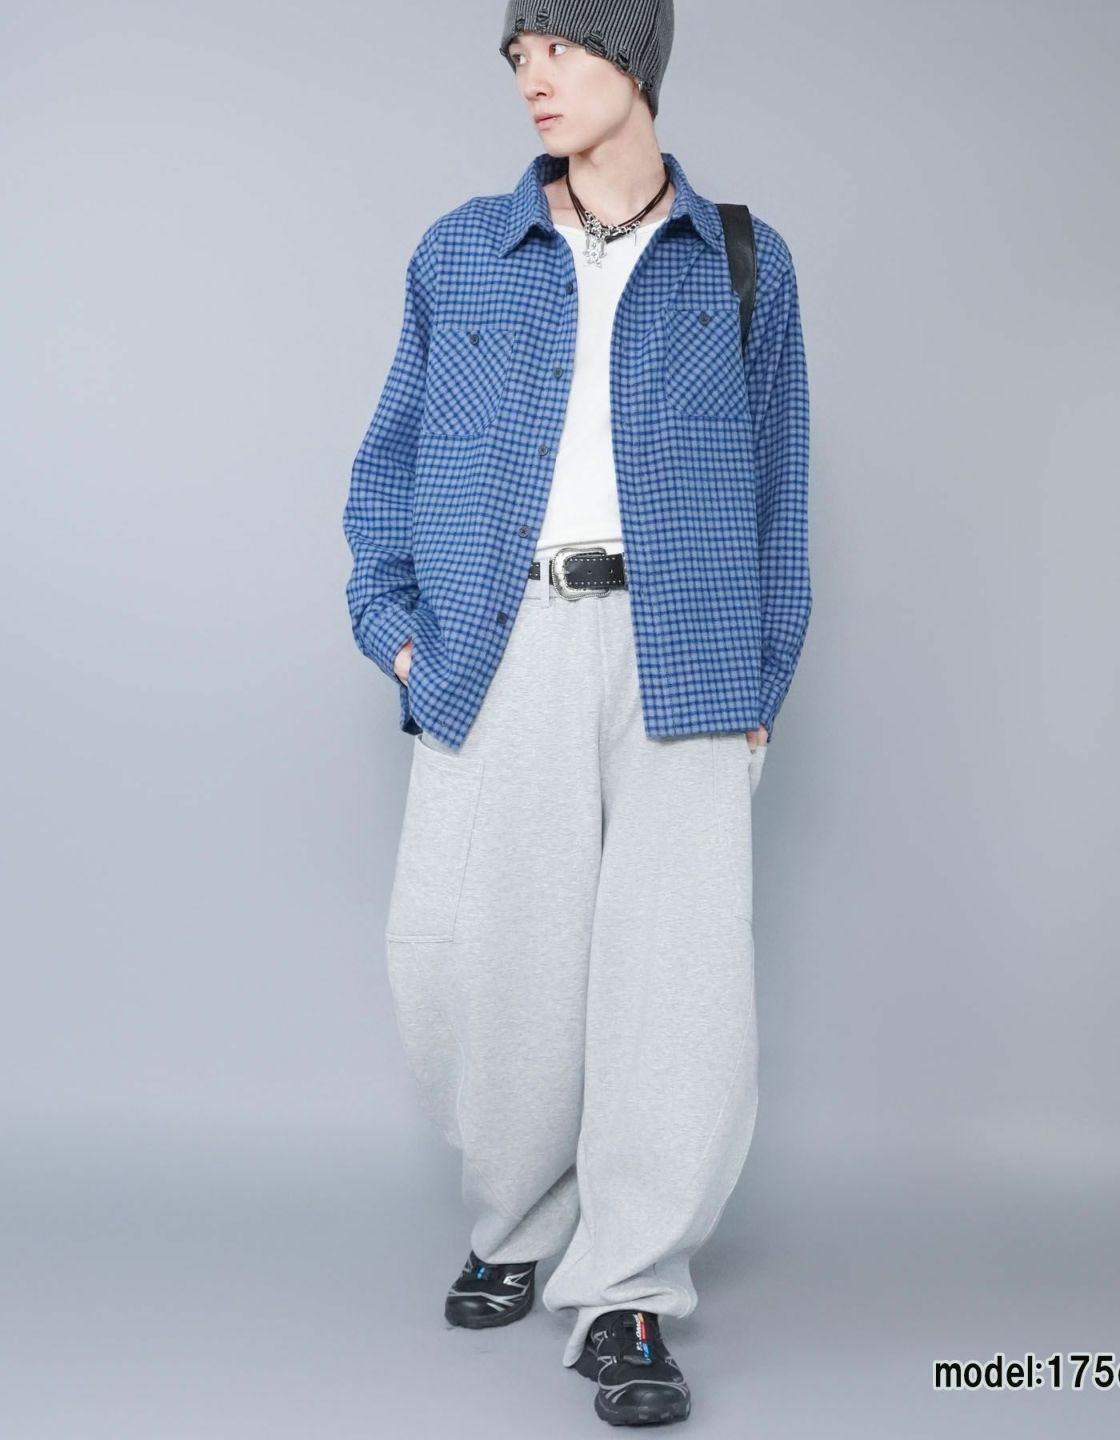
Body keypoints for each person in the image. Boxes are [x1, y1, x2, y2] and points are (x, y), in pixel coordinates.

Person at [341, 0, 811, 1425]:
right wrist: (397, 636)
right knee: (477, 962)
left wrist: (760, 678)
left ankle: (629, 1289)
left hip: (688, 653)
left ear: (636, 59)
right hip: (504, 644)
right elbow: (388, 465)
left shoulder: (743, 261)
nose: (531, 78)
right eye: (518, 56)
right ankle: (520, 1217)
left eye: (560, 47)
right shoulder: (459, 253)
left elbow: (779, 492)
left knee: (677, 988)